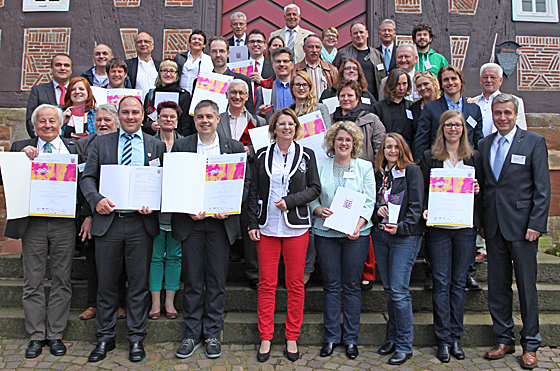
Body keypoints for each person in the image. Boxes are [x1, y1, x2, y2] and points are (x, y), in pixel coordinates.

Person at [81, 96, 166, 363]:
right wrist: (97, 201)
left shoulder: (157, 145)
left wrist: (155, 204)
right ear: (119, 115)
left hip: (141, 225)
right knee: (106, 284)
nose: (130, 117)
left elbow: (164, 182)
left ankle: (136, 339)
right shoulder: (102, 142)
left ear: (144, 115)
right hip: (109, 223)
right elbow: (87, 178)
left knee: (138, 284)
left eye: (135, 113)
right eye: (125, 112)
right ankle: (104, 338)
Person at [3, 104, 82, 359]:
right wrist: (21, 160)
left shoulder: (74, 148)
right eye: (42, 122)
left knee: (61, 279)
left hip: (64, 223)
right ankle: (36, 335)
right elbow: (5, 178)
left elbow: (85, 183)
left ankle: (55, 334)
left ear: (60, 124)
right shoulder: (20, 148)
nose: (47, 125)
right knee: (32, 280)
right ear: (34, 125)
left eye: (52, 121)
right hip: (33, 223)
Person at [173, 100, 250, 360]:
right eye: (200, 117)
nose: (204, 121)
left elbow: (245, 183)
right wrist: (186, 208)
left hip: (220, 223)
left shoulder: (234, 148)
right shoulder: (182, 145)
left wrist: (230, 207)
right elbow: (174, 182)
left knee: (216, 281)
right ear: (194, 121)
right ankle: (192, 333)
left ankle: (212, 335)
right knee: (193, 280)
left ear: (218, 119)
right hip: (191, 223)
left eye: (209, 117)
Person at [480, 94, 550, 370]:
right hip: (494, 226)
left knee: (526, 288)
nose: (502, 118)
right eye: (497, 113)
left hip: (523, 228)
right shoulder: (484, 144)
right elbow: (486, 187)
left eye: (507, 113)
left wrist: (536, 223)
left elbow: (542, 189)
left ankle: (531, 344)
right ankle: (504, 338)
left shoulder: (533, 142)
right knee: (497, 287)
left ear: (515, 114)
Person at [247, 108, 321, 363]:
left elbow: (314, 189)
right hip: (267, 226)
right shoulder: (262, 155)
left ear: (296, 128)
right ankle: (265, 336)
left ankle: (292, 335)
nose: (286, 127)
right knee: (266, 283)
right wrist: (252, 223)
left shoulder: (307, 155)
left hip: (296, 227)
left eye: (290, 124)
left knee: (295, 284)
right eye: (281, 124)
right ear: (274, 128)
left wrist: (290, 201)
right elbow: (254, 189)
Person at [420, 110, 482, 363]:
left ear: (463, 129)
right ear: (442, 128)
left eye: (457, 125)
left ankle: (456, 336)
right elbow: (423, 189)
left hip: (465, 230)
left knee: (458, 283)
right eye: (448, 125)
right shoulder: (430, 157)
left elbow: (485, 191)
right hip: (438, 230)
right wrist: (425, 208)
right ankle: (442, 339)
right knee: (441, 283)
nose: (453, 129)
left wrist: (477, 189)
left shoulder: (474, 158)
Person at [310, 121, 375, 359]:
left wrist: (356, 225)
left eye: (348, 140)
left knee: (351, 286)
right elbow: (312, 198)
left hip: (355, 235)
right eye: (339, 139)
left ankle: (350, 339)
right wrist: (318, 211)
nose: (343, 143)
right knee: (331, 286)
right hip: (325, 234)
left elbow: (369, 201)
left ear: (354, 143)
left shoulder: (364, 167)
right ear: (332, 142)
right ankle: (330, 337)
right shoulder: (320, 165)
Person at [372, 133, 425, 366]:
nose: (391, 151)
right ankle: (393, 338)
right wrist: (379, 209)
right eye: (387, 147)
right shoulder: (382, 174)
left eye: (395, 147)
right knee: (388, 289)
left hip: (405, 236)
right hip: (382, 235)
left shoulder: (412, 171)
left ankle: (405, 345)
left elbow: (416, 206)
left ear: (403, 149)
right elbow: (375, 201)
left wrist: (401, 227)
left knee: (399, 290)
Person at [469, 62, 528, 264]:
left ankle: (507, 241)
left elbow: (522, 134)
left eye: (493, 77)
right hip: (482, 155)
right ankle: (482, 245)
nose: (489, 80)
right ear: (480, 80)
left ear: (501, 80)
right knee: (483, 197)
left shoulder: (514, 101)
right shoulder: (472, 103)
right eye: (485, 77)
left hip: (506, 157)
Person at [75, 105, 128, 323]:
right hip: (91, 211)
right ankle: (92, 303)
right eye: (98, 120)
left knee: (119, 263)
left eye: (107, 120)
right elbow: (84, 181)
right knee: (93, 259)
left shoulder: (123, 144)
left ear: (116, 123)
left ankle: (118, 304)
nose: (102, 124)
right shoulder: (82, 145)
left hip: (119, 212)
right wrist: (88, 214)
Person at [217, 79, 267, 289]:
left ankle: (253, 272)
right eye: (233, 92)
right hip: (221, 179)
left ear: (248, 97)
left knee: (250, 225)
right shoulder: (217, 120)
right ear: (227, 95)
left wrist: (251, 151)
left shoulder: (259, 122)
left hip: (250, 178)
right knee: (221, 225)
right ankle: (221, 270)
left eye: (241, 93)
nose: (237, 96)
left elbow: (264, 152)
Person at [148, 101, 183, 321]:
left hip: (178, 210)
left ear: (177, 121)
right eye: (163, 116)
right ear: (157, 119)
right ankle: (154, 303)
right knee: (154, 256)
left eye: (172, 117)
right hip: (153, 209)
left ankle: (169, 301)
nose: (168, 120)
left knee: (174, 256)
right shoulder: (148, 144)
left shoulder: (185, 144)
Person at [414, 65, 483, 161]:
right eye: (446, 80)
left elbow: (478, 140)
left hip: (467, 163)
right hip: (438, 161)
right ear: (441, 84)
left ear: (461, 81)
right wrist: (421, 165)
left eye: (454, 78)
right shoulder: (430, 108)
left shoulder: (474, 109)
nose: (450, 82)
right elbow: (422, 140)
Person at [192, 36, 254, 114]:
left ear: (228, 53)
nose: (218, 55)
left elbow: (249, 113)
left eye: (222, 51)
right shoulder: (199, 82)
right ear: (209, 53)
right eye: (214, 51)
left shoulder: (243, 81)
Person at [331, 79, 386, 162]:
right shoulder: (330, 119)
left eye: (350, 95)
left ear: (357, 98)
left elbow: (380, 148)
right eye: (342, 95)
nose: (346, 99)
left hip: (363, 171)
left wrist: (373, 170)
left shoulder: (371, 120)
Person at [333, 21, 386, 101]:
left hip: (374, 99)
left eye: (361, 32)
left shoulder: (377, 55)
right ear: (351, 35)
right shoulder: (342, 54)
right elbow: (335, 75)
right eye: (355, 33)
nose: (358, 35)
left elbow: (383, 77)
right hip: (349, 98)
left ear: (367, 34)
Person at [142, 59, 194, 137]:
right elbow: (143, 121)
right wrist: (151, 126)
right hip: (154, 139)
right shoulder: (151, 95)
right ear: (159, 73)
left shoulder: (184, 95)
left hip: (176, 139)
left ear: (177, 75)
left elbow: (186, 123)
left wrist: (183, 142)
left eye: (172, 71)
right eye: (164, 71)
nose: (168, 74)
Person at [26, 54, 72, 137]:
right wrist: (40, 140)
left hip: (72, 141)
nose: (62, 68)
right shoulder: (38, 91)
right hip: (46, 140)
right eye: (58, 65)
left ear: (71, 70)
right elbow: (31, 120)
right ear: (51, 69)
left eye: (66, 65)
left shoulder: (78, 91)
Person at [372, 68, 415, 147]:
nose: (401, 88)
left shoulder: (412, 106)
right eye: (398, 84)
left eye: (404, 84)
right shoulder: (378, 108)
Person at [255, 47, 295, 120]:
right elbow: (256, 119)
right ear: (273, 65)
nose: (282, 64)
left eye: (285, 61)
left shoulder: (301, 88)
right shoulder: (262, 89)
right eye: (278, 61)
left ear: (292, 64)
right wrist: (260, 114)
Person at [125, 32, 161, 97]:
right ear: (135, 46)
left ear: (152, 46)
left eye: (146, 41)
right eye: (139, 42)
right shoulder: (127, 65)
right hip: (137, 105)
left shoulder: (160, 65)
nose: (143, 44)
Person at [247, 29, 275, 99]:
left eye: (259, 41)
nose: (255, 44)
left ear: (265, 45)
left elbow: (277, 89)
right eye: (252, 41)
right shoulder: (240, 67)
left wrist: (263, 82)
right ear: (247, 45)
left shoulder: (274, 67)